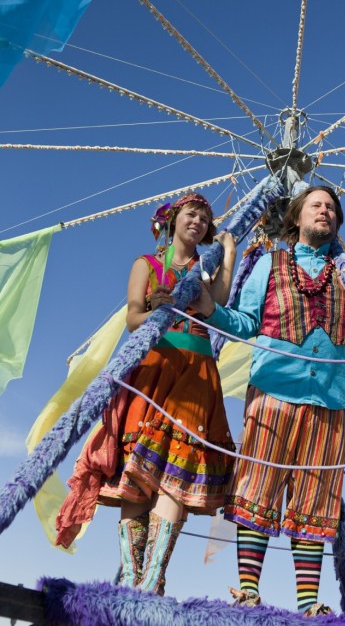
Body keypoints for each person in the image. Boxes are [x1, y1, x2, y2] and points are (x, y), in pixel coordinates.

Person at [192, 186, 345, 617]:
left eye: (331, 208)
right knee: (257, 488)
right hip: (273, 393)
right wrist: (208, 308)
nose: (325, 211)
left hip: (330, 402)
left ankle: (309, 603)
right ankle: (248, 590)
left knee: (316, 501)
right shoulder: (271, 265)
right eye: (316, 205)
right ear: (296, 218)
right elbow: (245, 321)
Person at [56, 192, 237, 596]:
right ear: (173, 221)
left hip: (197, 373)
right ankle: (138, 584)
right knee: (137, 474)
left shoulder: (205, 269)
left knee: (176, 474)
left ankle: (153, 579)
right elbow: (133, 318)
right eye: (192, 215)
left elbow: (220, 303)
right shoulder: (148, 265)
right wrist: (158, 308)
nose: (199, 223)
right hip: (154, 370)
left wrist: (228, 253)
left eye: (205, 220)